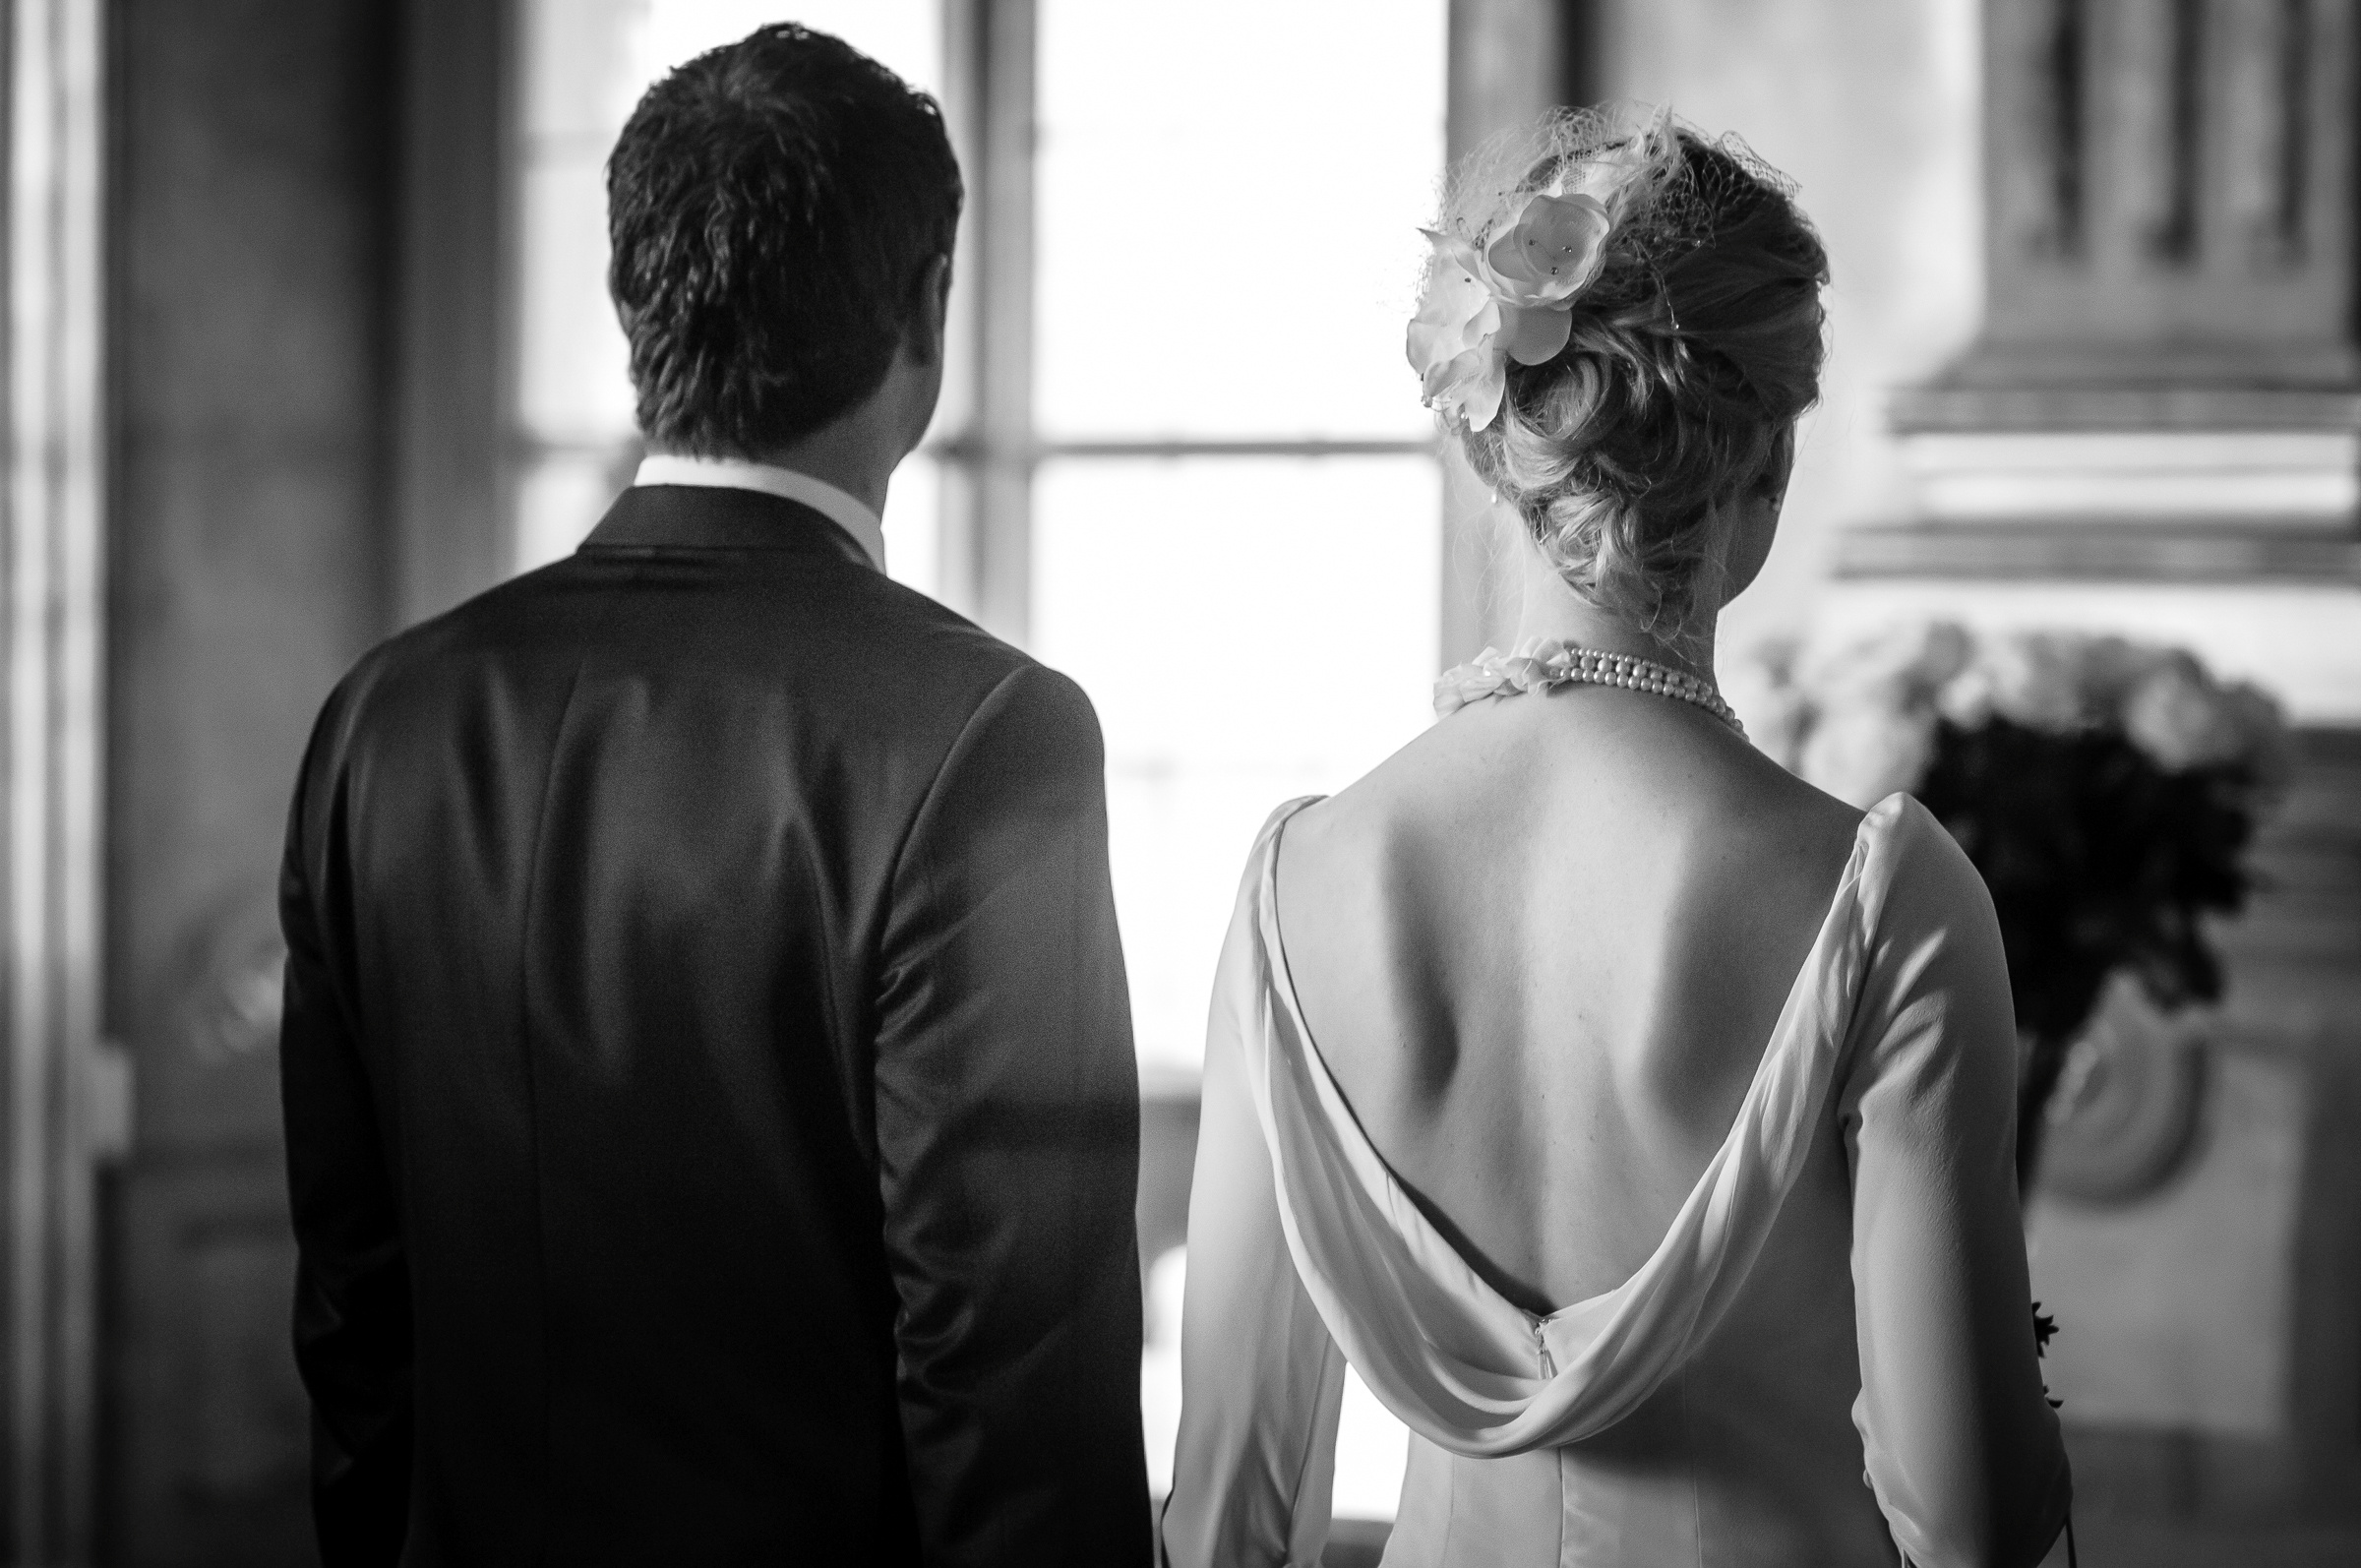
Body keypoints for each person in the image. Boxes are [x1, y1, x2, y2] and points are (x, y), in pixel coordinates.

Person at [277, 26, 1149, 1566]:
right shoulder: (985, 734)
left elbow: (358, 1327)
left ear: (633, 302)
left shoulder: (382, 720)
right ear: (927, 314)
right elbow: (1014, 1380)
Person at [1161, 108, 2072, 1567]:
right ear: (1764, 468)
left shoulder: (1296, 885)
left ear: (1497, 441)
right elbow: (1970, 1515)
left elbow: (1224, 1515)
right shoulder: (1883, 895)